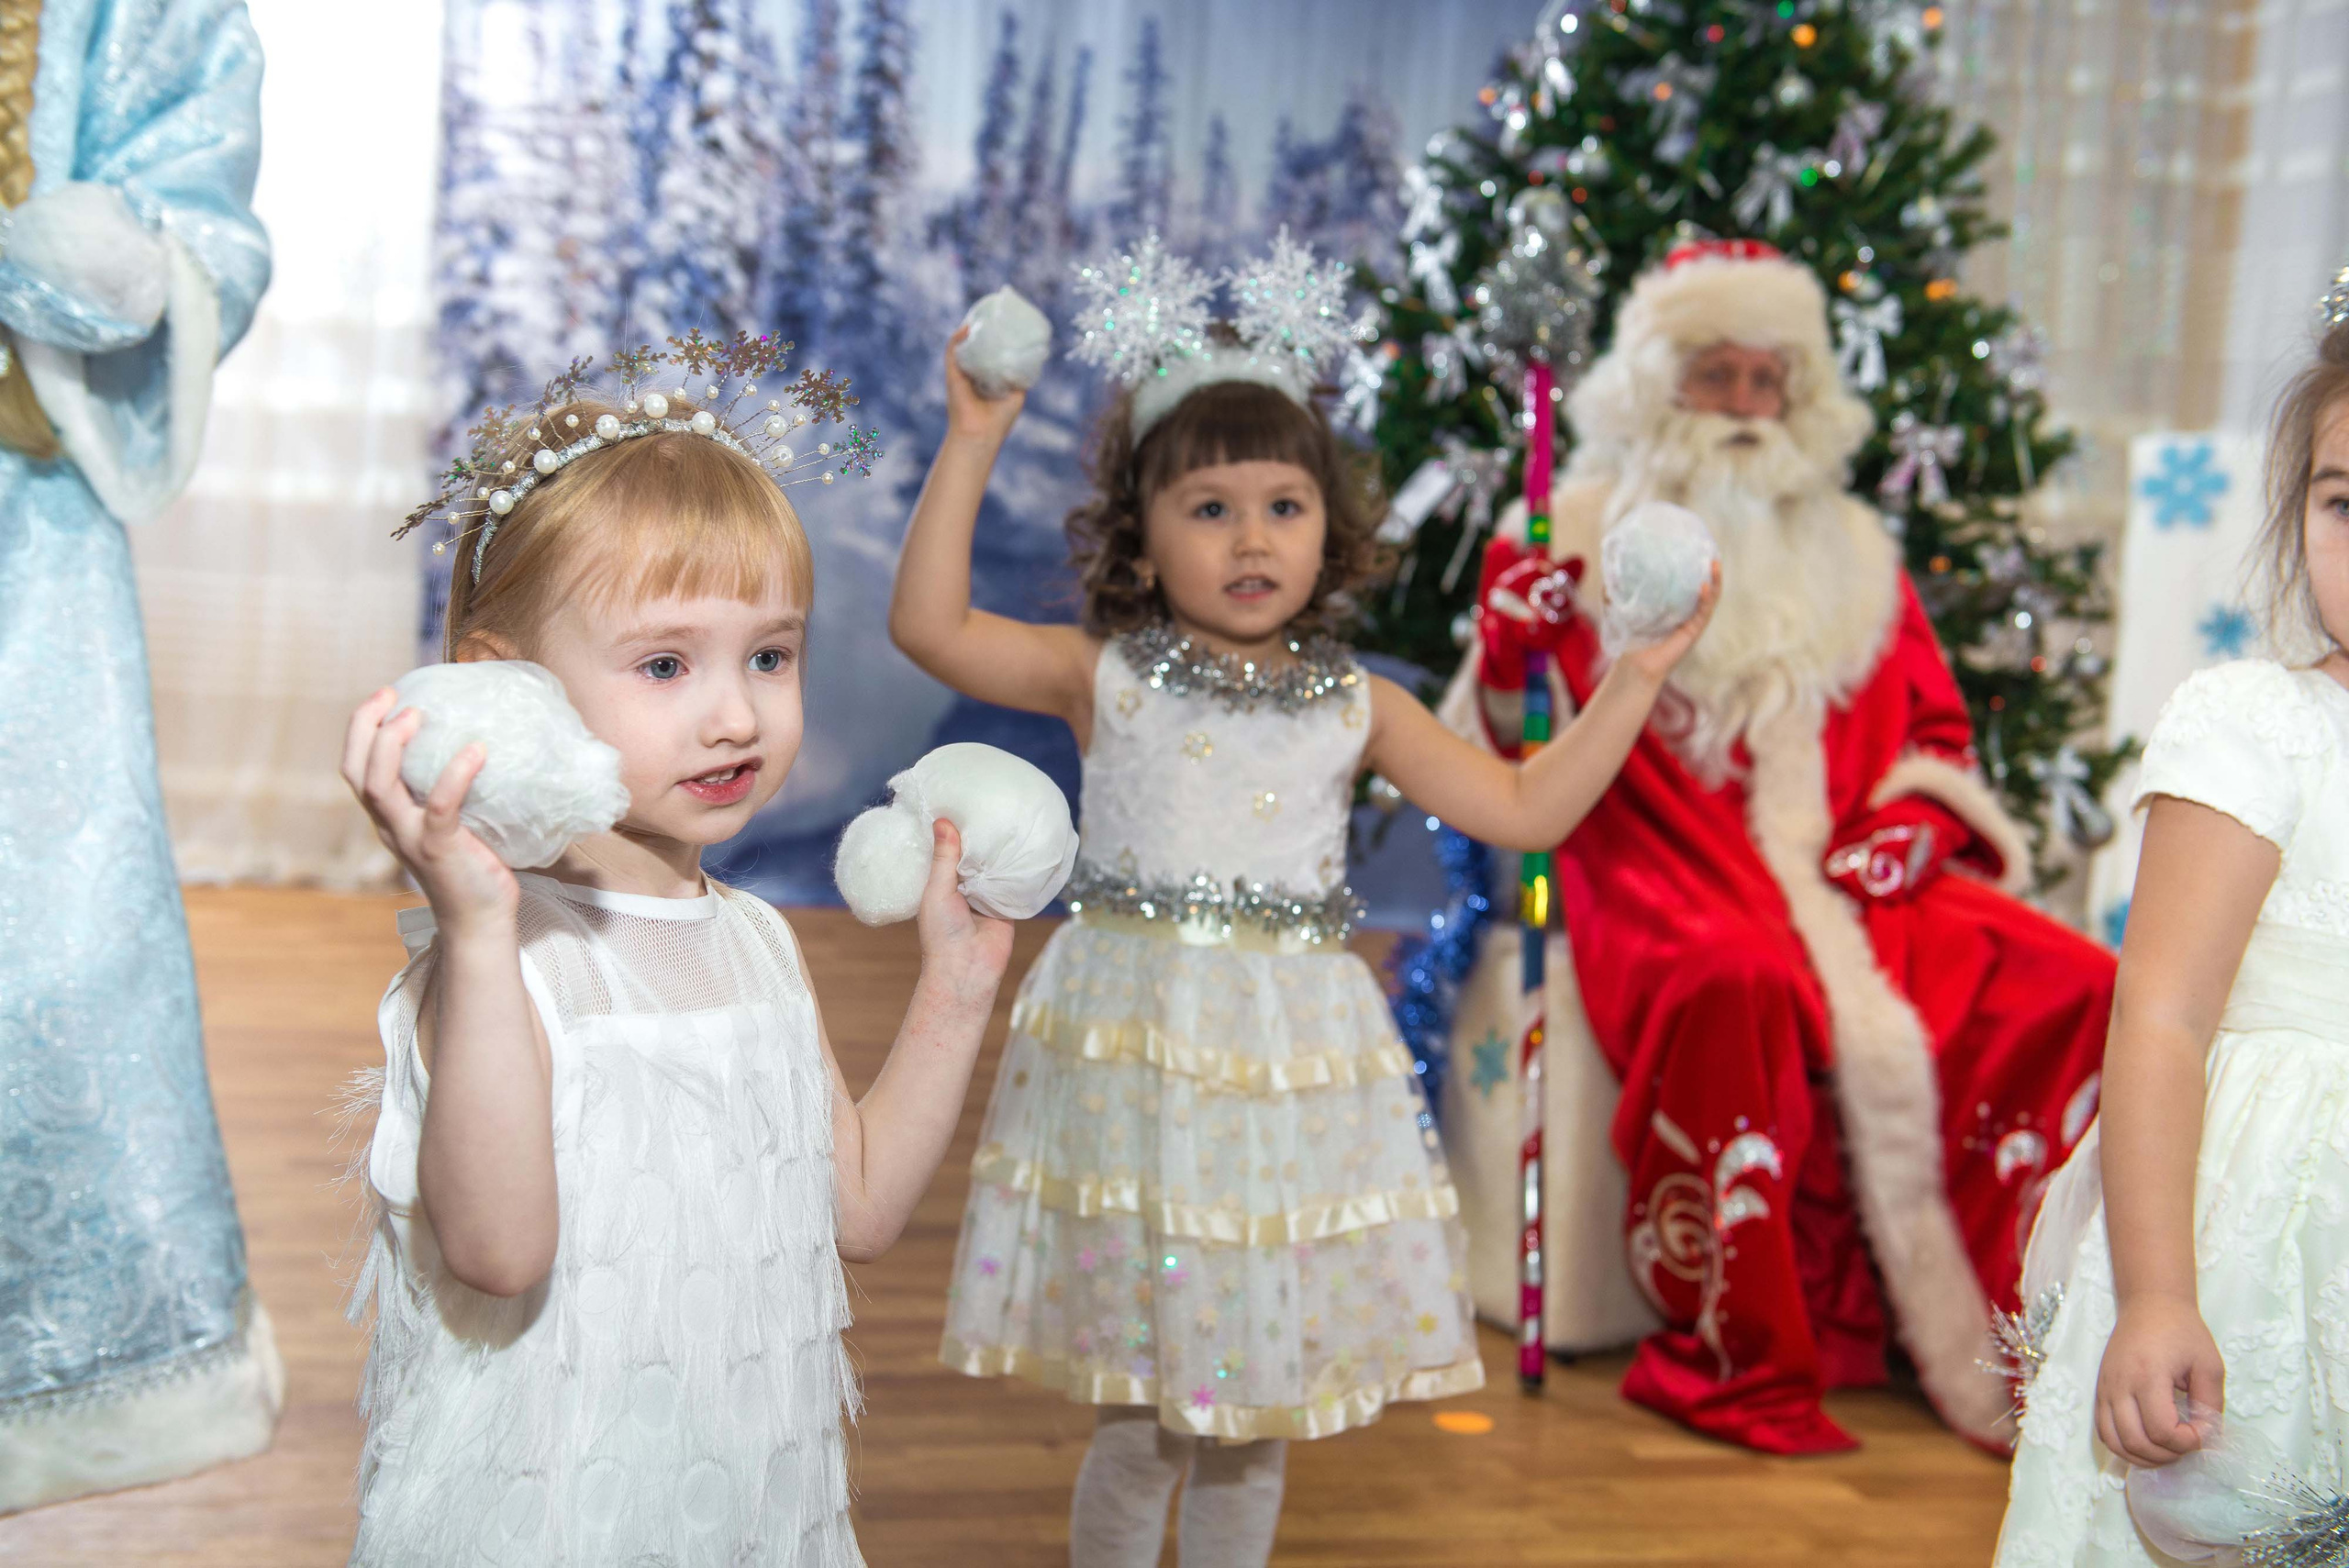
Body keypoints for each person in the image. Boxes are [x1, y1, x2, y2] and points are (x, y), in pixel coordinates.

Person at [890, 233, 1714, 1568]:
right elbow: (930, 627)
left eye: (1282, 503)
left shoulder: (1359, 703)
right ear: (1143, 542)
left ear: (1328, 528)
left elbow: (1525, 808)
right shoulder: (1107, 677)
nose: (1251, 535)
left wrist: (1634, 672)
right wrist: (974, 433)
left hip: (1283, 1090)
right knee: (1147, 1416)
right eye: (1207, 507)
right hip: (1139, 1077)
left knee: (1249, 1420)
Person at [340, 348, 1013, 1566]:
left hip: (745, 1499)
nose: (737, 714)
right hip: (559, 1515)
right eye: (666, 663)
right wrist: (482, 932)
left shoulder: (755, 940)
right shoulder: (503, 960)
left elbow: (853, 1209)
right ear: (511, 687)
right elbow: (500, 1252)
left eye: (770, 654)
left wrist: (956, 990)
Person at [1454, 238, 2112, 1455]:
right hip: (1649, 863)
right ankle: (1740, 1347)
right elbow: (1495, 754)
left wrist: (1913, 826)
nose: (1750, 408)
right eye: (1720, 376)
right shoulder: (1567, 528)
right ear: (1660, 386)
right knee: (1736, 980)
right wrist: (1508, 649)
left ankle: (2031, 1330)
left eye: (1774, 380)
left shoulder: (1857, 555)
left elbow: (1932, 731)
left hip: (1854, 877)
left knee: (2073, 978)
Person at [1994, 322, 2349, 1562]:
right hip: (2259, 1240)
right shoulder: (2262, 725)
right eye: (2345, 503)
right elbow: (2162, 1016)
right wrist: (2156, 1294)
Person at [0, 0, 281, 1513]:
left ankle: (52, 1375)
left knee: (48, 961)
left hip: (21, 551)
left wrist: (118, 257)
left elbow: (202, 193)